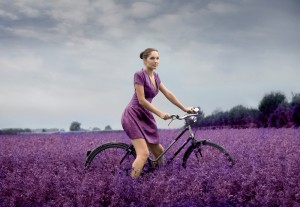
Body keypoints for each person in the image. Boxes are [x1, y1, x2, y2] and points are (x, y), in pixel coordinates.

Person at [121, 48, 193, 178]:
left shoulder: (156, 77)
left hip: (145, 116)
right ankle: (130, 186)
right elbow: (142, 100)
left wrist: (184, 108)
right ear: (144, 60)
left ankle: (157, 180)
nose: (156, 61)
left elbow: (168, 94)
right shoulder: (139, 75)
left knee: (159, 151)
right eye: (152, 58)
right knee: (143, 154)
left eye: (158, 58)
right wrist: (160, 113)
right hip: (133, 115)